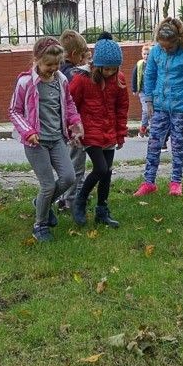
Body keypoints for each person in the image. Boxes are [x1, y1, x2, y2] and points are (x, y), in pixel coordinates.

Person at [10, 37, 83, 242]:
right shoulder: (25, 82)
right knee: (48, 185)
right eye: (48, 64)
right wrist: (28, 131)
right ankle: (40, 225)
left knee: (69, 178)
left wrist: (75, 121)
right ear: (36, 60)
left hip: (57, 138)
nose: (53, 68)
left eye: (57, 64)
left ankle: (41, 202)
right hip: (35, 142)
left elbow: (68, 104)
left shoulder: (61, 80)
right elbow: (14, 111)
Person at [135, 17, 183, 197]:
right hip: (160, 106)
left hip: (181, 108)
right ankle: (149, 181)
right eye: (163, 46)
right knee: (154, 144)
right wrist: (149, 100)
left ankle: (176, 182)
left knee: (178, 145)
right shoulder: (156, 52)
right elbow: (149, 75)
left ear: (178, 40)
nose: (165, 49)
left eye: (169, 47)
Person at [69, 33, 128, 228]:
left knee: (107, 173)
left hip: (109, 132)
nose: (110, 72)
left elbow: (121, 108)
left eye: (114, 68)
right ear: (97, 64)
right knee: (100, 168)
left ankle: (102, 210)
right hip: (89, 132)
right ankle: (80, 200)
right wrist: (74, 129)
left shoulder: (118, 79)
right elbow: (70, 105)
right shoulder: (81, 79)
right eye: (107, 68)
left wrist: (120, 134)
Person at [56, 29, 90, 212]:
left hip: (58, 127)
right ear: (75, 54)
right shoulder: (74, 74)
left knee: (64, 165)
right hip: (74, 127)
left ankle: (62, 198)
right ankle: (71, 200)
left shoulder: (55, 70)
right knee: (76, 164)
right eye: (82, 55)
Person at [132, 43, 152, 137]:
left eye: (148, 54)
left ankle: (149, 127)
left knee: (152, 110)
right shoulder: (139, 64)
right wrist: (134, 89)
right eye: (144, 54)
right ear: (142, 54)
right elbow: (134, 76)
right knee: (145, 110)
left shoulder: (154, 64)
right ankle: (145, 126)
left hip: (152, 91)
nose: (146, 56)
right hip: (143, 91)